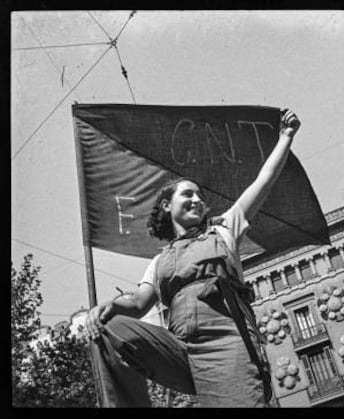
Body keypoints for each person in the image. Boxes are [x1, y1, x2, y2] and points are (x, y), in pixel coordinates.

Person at [85, 108, 301, 407]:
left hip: (228, 345)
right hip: (181, 349)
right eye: (187, 194)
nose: (198, 200)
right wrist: (108, 306)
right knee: (109, 330)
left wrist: (285, 138)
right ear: (166, 206)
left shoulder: (224, 229)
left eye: (200, 196)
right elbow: (136, 303)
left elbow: (262, 182)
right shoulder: (159, 262)